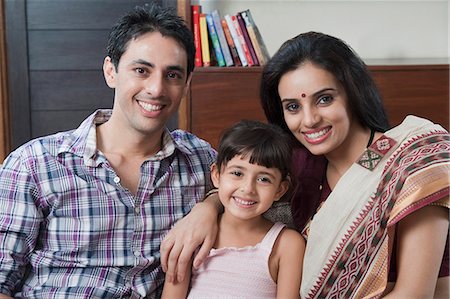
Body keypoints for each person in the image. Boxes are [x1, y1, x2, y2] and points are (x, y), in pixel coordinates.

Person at [161, 32, 449, 298]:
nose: (309, 120)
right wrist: (206, 209)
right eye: (293, 107)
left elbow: (415, 294)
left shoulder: (410, 161)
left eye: (324, 99)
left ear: (353, 93)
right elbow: (245, 187)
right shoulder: (300, 164)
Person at [0, 4, 217, 298]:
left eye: (173, 75)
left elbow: (248, 191)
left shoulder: (200, 159)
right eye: (141, 70)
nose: (156, 88)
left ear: (187, 84)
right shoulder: (32, 165)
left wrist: (209, 207)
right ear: (111, 72)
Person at [161, 120, 305, 299]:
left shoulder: (287, 244)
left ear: (280, 190)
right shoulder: (194, 235)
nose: (248, 189)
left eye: (264, 179)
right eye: (237, 173)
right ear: (216, 176)